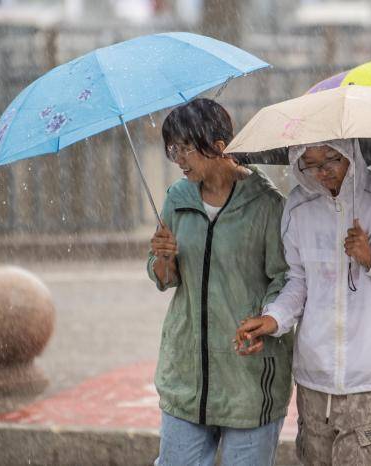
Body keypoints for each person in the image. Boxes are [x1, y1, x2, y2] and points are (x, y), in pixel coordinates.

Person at [235, 139, 371, 466]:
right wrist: (273, 318)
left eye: (332, 159)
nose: (323, 172)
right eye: (311, 163)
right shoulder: (298, 207)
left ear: (351, 154)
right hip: (313, 375)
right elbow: (298, 281)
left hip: (370, 376)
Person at [147, 98, 293, 466]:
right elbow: (165, 279)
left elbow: (286, 277)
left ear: (218, 146)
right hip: (186, 373)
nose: (177, 158)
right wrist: (163, 258)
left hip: (248, 375)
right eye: (171, 148)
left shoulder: (267, 205)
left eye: (184, 148)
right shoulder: (176, 199)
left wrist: (267, 321)